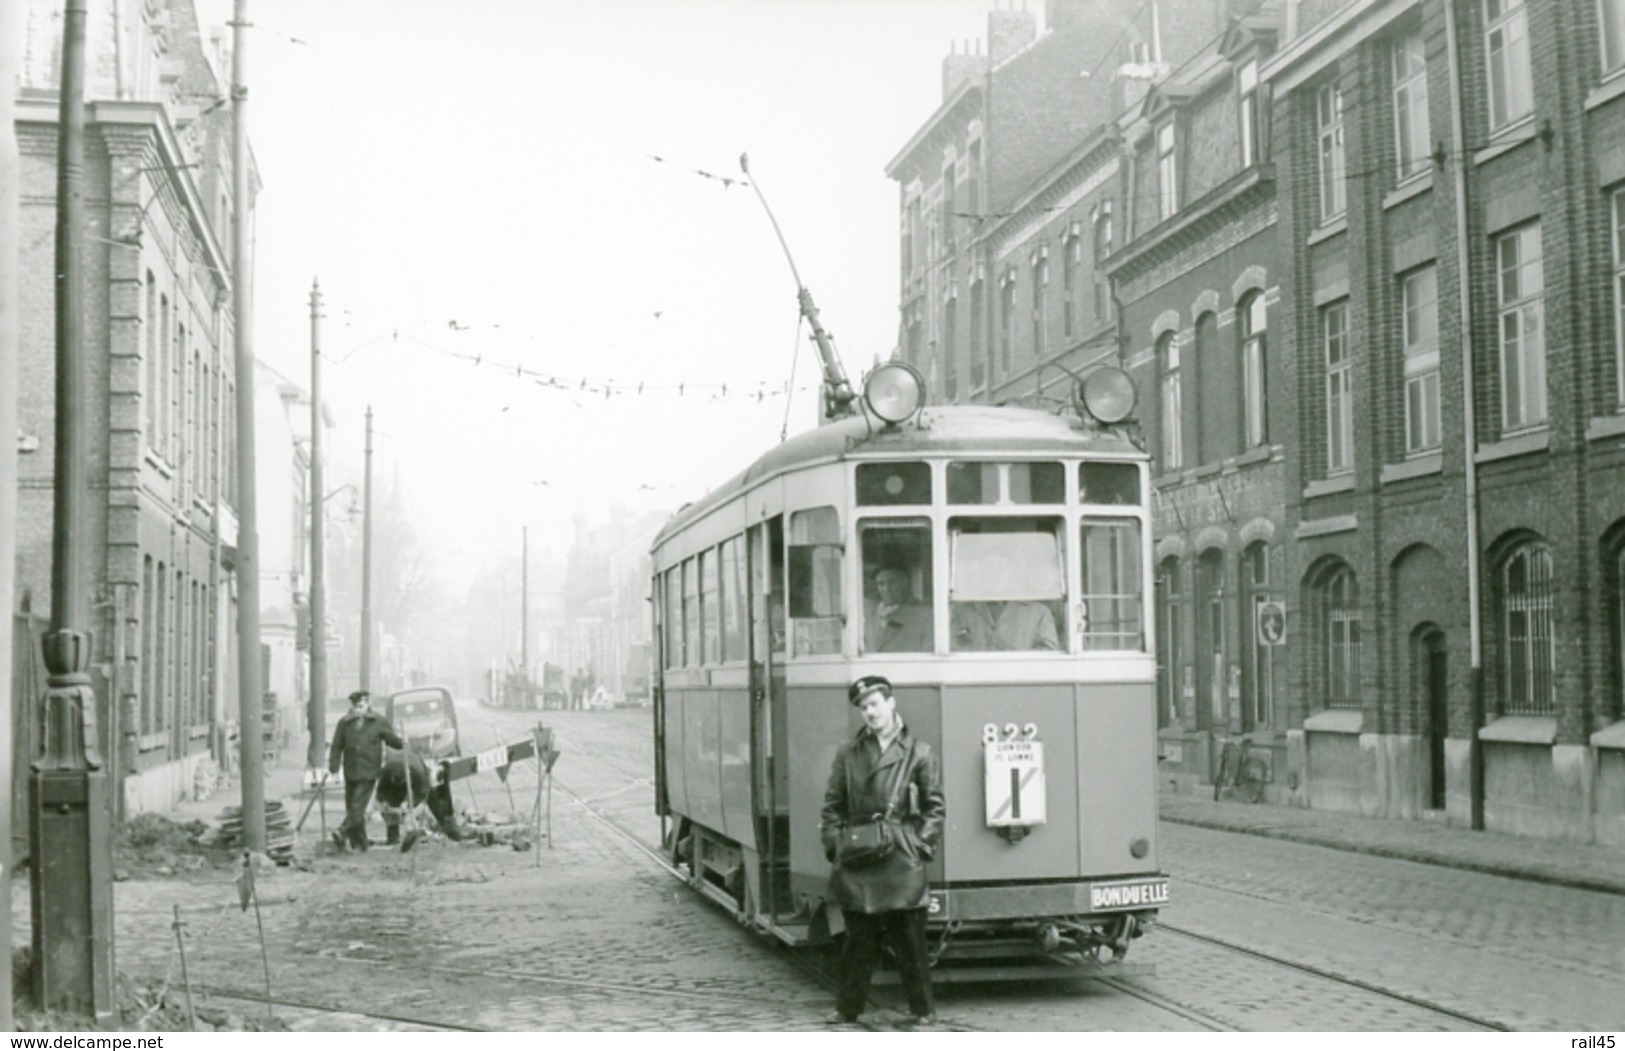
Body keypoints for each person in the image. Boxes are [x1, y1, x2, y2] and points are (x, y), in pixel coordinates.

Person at [819, 675, 945, 1028]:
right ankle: (848, 1009)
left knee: (910, 940)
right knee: (858, 939)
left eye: (874, 704)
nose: (869, 712)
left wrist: (918, 847)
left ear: (891, 704)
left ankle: (924, 1010)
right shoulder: (848, 753)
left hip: (901, 855)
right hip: (859, 855)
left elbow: (935, 808)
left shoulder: (919, 751)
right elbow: (833, 806)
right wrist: (836, 846)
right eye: (863, 707)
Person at [327, 690, 404, 851]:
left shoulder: (378, 722)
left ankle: (342, 831)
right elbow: (336, 746)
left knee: (356, 805)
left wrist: (401, 741)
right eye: (355, 706)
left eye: (361, 706)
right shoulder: (344, 723)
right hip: (351, 771)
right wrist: (334, 765)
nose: (357, 709)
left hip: (369, 771)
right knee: (353, 808)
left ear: (368, 705)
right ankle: (360, 844)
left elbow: (392, 740)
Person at [377, 750, 465, 848]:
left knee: (433, 800)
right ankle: (393, 838)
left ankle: (450, 830)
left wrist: (408, 805)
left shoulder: (419, 773)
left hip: (418, 770)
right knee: (392, 801)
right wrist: (384, 803)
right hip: (397, 767)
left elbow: (421, 793)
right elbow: (380, 791)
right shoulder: (385, 772)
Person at [863, 566, 933, 653]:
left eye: (892, 582)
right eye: (881, 584)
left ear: (904, 583)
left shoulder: (923, 614)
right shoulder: (869, 613)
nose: (886, 589)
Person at [950, 599, 1060, 651]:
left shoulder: (1039, 612)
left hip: (1022, 689)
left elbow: (1049, 658)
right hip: (972, 688)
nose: (997, 576)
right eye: (990, 569)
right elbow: (951, 652)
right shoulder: (962, 611)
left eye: (1002, 570)